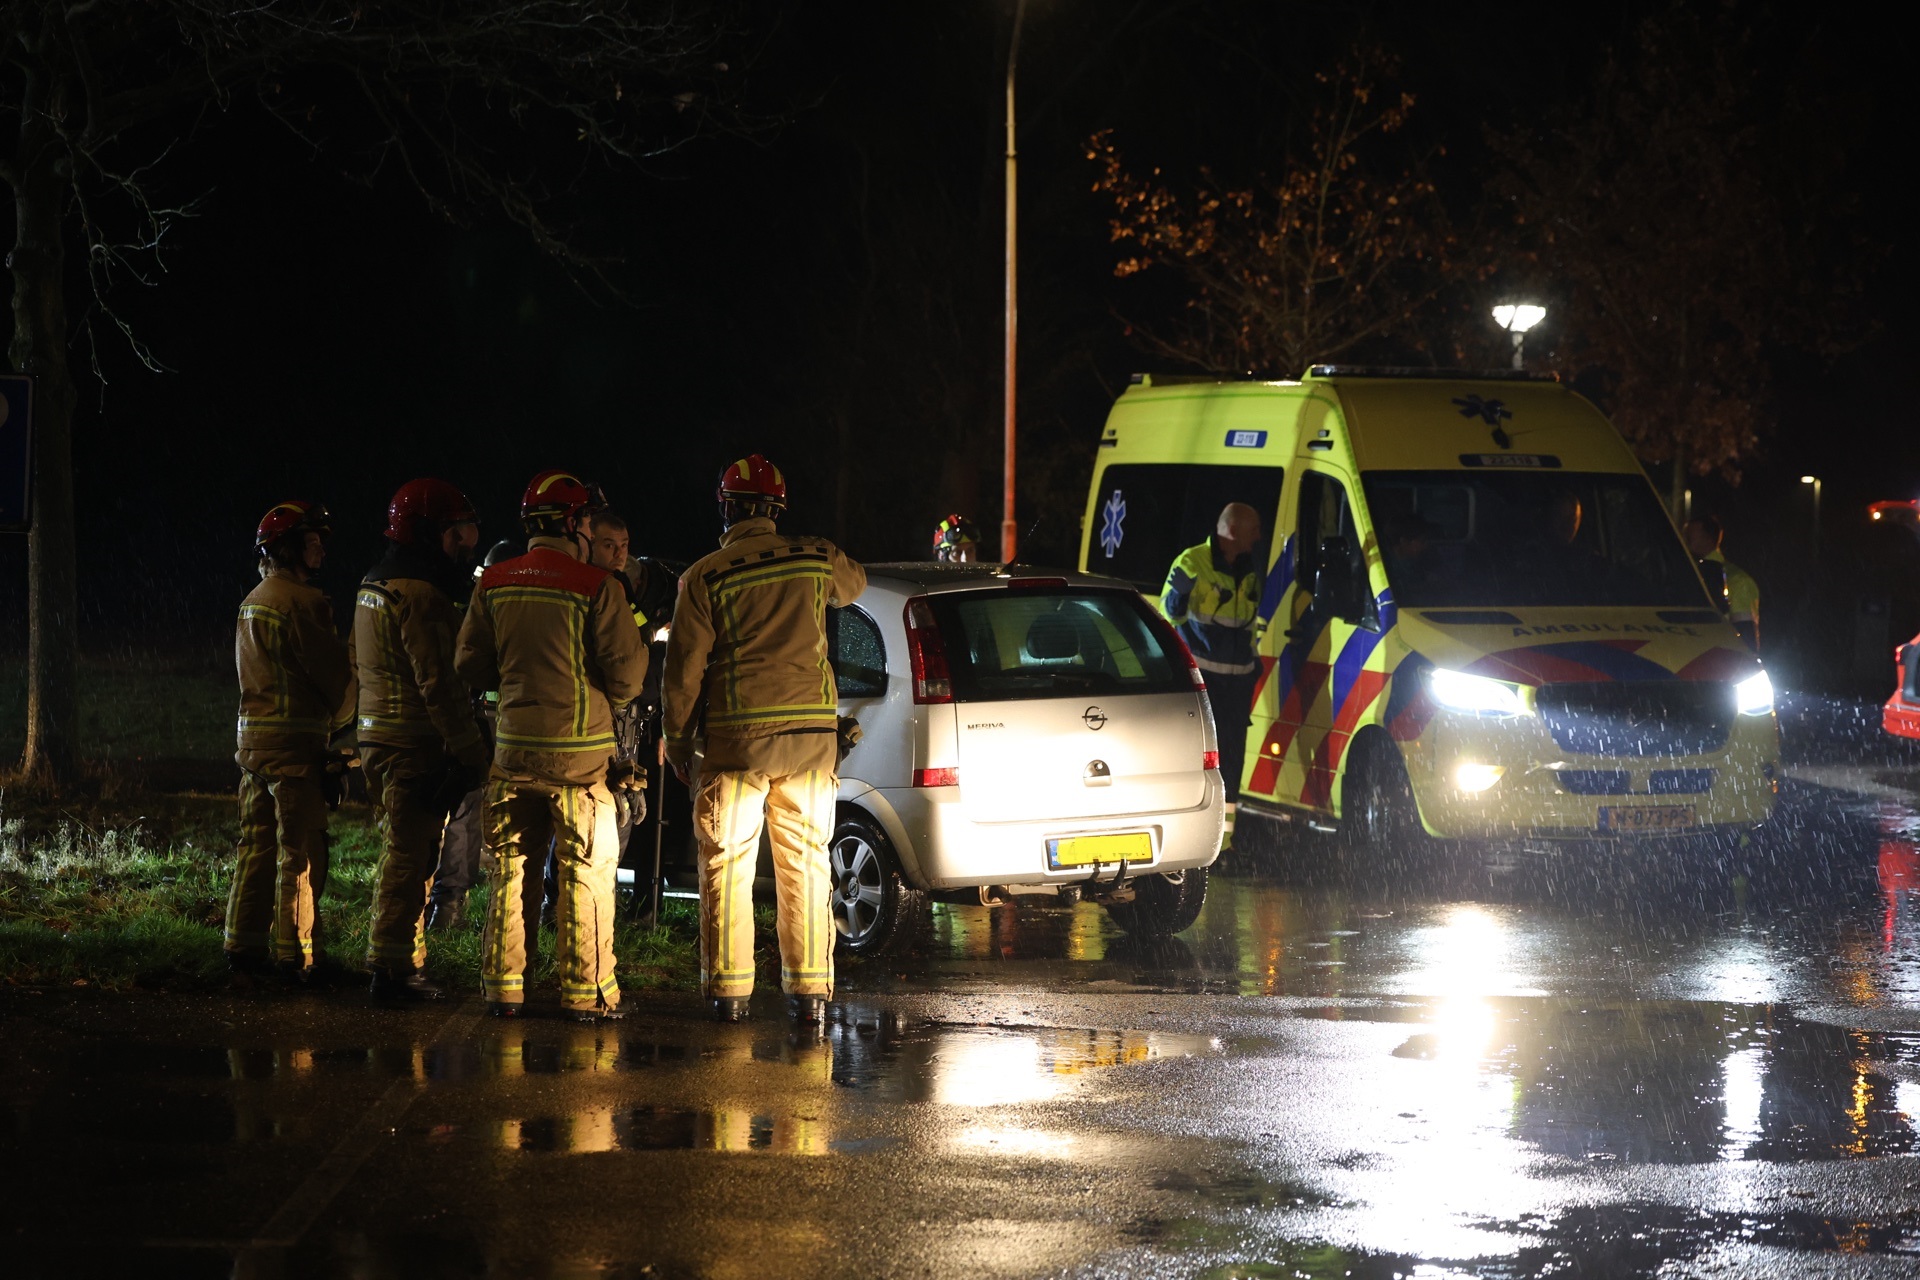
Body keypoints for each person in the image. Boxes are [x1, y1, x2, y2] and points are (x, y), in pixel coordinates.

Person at [664, 454, 866, 1025]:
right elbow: (856, 584)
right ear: (777, 509)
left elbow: (683, 672)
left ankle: (728, 996)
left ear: (726, 508)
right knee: (805, 863)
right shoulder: (816, 556)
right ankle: (809, 997)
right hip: (808, 743)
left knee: (728, 864)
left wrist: (678, 743)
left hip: (736, 745)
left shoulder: (704, 575)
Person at [455, 470, 647, 1021]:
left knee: (511, 870)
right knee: (584, 874)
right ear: (575, 524)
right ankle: (586, 996)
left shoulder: (494, 581)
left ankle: (503, 989)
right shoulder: (596, 587)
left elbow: (469, 662)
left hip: (512, 755)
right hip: (579, 766)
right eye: (587, 519)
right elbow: (628, 679)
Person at [352, 479, 488, 1004]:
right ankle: (394, 971)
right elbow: (439, 683)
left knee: (402, 851)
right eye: (457, 535)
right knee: (411, 858)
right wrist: (472, 751)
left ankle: (395, 963)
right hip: (413, 743)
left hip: (380, 739)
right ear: (429, 534)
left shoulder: (375, 583)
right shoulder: (422, 595)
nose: (466, 546)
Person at [226, 500, 356, 985]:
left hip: (253, 749)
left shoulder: (253, 599)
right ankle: (296, 957)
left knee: (255, 846)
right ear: (288, 548)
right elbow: (334, 680)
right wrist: (343, 718)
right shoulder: (305, 603)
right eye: (312, 538)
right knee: (298, 851)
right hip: (296, 752)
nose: (321, 545)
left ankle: (242, 944)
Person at [427, 538, 520, 935]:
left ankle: (454, 906)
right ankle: (451, 907)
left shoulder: (483, 604)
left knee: (472, 815)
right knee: (468, 812)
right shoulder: (488, 606)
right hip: (494, 721)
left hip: (499, 722)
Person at [1160, 503, 1262, 838]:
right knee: (1202, 762)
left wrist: (1253, 667)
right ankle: (1196, 837)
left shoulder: (1247, 566)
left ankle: (1226, 842)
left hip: (1237, 683)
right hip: (1204, 682)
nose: (1258, 537)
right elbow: (1169, 616)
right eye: (1253, 530)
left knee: (1232, 761)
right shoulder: (1192, 562)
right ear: (1233, 532)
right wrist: (1178, 599)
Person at [1684, 515, 1760, 651]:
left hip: (1718, 660)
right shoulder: (1684, 574)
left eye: (1689, 538)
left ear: (1708, 539)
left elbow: (1746, 637)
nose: (1684, 543)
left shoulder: (1737, 581)